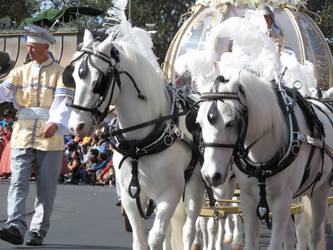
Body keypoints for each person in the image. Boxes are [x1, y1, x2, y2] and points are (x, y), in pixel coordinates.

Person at [0, 24, 74, 246]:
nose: (29, 51)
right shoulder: (20, 71)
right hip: (22, 133)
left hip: (49, 137)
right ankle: (15, 225)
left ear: (44, 47)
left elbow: (65, 103)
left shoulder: (60, 72)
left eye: (33, 47)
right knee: (17, 182)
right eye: (28, 47)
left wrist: (57, 122)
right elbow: (4, 92)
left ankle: (37, 230)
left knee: (46, 187)